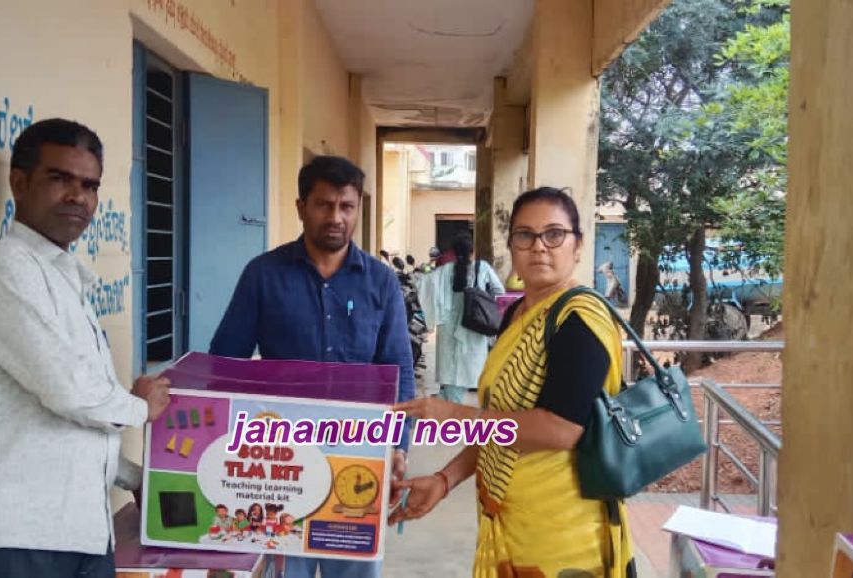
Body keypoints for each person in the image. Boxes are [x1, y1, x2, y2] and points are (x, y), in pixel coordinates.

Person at [0, 119, 172, 578]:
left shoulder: (64, 278)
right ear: (19, 183)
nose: (78, 197)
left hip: (77, 531)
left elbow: (61, 422)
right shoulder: (3, 269)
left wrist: (134, 477)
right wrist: (140, 408)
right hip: (7, 535)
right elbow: (68, 390)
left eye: (89, 185)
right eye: (60, 179)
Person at [391, 187, 636, 577]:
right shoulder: (518, 313)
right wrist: (444, 479)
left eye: (554, 234)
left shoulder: (581, 318)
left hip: (562, 535)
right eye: (525, 235)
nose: (539, 246)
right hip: (508, 519)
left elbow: (560, 429)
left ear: (577, 246)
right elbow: (501, 424)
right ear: (512, 247)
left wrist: (453, 414)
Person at [210, 155, 415, 578]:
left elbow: (398, 371)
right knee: (283, 569)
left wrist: (399, 446)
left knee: (355, 569)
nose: (336, 217)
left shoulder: (381, 282)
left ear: (357, 209)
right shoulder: (263, 275)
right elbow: (225, 364)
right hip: (279, 465)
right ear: (301, 207)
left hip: (358, 460)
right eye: (324, 205)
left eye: (347, 206)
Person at [417, 234, 504, 402]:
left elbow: (423, 286)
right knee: (466, 373)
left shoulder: (444, 271)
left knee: (450, 376)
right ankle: (444, 406)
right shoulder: (482, 267)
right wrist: (484, 299)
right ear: (473, 251)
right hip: (473, 327)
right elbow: (499, 291)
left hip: (448, 331)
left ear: (454, 252)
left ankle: (443, 405)